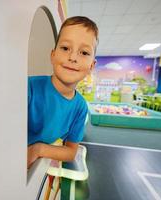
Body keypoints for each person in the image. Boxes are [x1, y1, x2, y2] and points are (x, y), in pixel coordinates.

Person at [27, 16, 98, 168]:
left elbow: (71, 151)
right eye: (65, 48)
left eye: (84, 52)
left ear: (92, 66)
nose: (72, 57)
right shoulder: (28, 87)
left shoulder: (80, 107)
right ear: (53, 55)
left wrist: (38, 149)